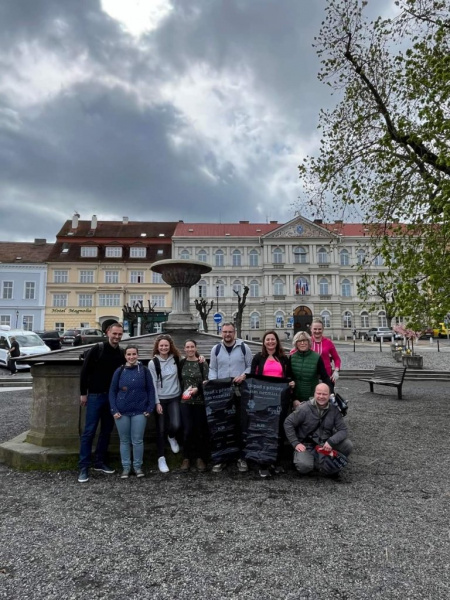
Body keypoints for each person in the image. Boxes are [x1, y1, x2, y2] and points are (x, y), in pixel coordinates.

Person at [78, 322, 125, 483]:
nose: (117, 337)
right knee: (89, 431)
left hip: (112, 398)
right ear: (108, 333)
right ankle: (83, 466)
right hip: (95, 395)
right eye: (115, 334)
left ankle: (99, 461)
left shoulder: (121, 352)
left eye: (120, 334)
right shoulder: (97, 349)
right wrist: (83, 393)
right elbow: (85, 371)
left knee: (106, 430)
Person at [208, 322, 253, 473]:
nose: (227, 334)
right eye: (225, 332)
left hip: (239, 391)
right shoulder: (216, 349)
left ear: (234, 333)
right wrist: (214, 383)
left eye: (230, 332)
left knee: (240, 425)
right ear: (221, 332)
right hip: (222, 393)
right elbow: (213, 368)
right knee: (222, 425)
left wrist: (243, 376)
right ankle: (222, 458)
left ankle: (241, 457)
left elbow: (250, 366)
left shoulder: (243, 347)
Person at [250, 330, 294, 478]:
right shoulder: (258, 358)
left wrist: (291, 382)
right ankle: (263, 463)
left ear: (277, 341)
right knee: (264, 431)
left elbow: (289, 376)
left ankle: (276, 461)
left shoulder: (283, 358)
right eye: (267, 340)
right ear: (264, 342)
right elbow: (253, 378)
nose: (270, 342)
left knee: (279, 431)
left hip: (280, 400)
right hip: (263, 400)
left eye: (273, 339)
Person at [284, 383, 353, 477]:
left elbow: (343, 430)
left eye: (324, 394)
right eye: (318, 393)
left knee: (347, 445)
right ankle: (321, 463)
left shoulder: (334, 410)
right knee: (304, 467)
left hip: (325, 444)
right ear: (314, 394)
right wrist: (295, 443)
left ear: (329, 395)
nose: (321, 396)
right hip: (306, 445)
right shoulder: (304, 408)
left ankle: (324, 462)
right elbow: (288, 423)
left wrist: (331, 442)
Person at [109, 345, 156, 479]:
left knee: (137, 441)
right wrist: (114, 409)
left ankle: (137, 467)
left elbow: (150, 390)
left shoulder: (144, 371)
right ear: (125, 356)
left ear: (137, 355)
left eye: (134, 354)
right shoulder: (120, 371)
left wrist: (149, 408)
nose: (131, 357)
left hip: (140, 411)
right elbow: (112, 391)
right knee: (124, 440)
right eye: (129, 354)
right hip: (121, 412)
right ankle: (126, 467)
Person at [149, 334, 182, 474]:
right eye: (161, 345)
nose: (163, 348)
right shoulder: (153, 363)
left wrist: (200, 358)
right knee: (160, 429)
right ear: (157, 347)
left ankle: (172, 436)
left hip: (174, 396)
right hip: (161, 399)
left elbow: (190, 359)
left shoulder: (175, 359)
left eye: (166, 345)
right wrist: (156, 402)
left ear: (170, 346)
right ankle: (161, 458)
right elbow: (153, 385)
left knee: (176, 424)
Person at [179, 339, 210, 472]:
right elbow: (179, 380)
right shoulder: (182, 362)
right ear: (184, 349)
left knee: (199, 430)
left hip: (199, 401)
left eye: (192, 347)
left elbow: (207, 381)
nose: (190, 349)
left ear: (196, 348)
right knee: (187, 430)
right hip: (185, 401)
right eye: (187, 347)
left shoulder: (202, 362)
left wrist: (198, 389)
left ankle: (199, 458)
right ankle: (186, 458)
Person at [289, 331, 332, 408]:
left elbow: (325, 377)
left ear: (309, 342)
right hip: (296, 399)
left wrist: (331, 393)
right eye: (299, 341)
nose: (302, 343)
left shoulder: (317, 358)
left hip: (312, 399)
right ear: (296, 343)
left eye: (305, 340)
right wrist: (293, 399)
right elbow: (289, 378)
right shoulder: (292, 358)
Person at [310, 318, 341, 388]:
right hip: (311, 376)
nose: (317, 331)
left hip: (326, 375)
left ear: (323, 329)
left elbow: (337, 359)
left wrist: (336, 370)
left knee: (327, 396)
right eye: (315, 329)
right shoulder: (307, 342)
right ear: (311, 329)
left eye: (319, 329)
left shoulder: (328, 342)